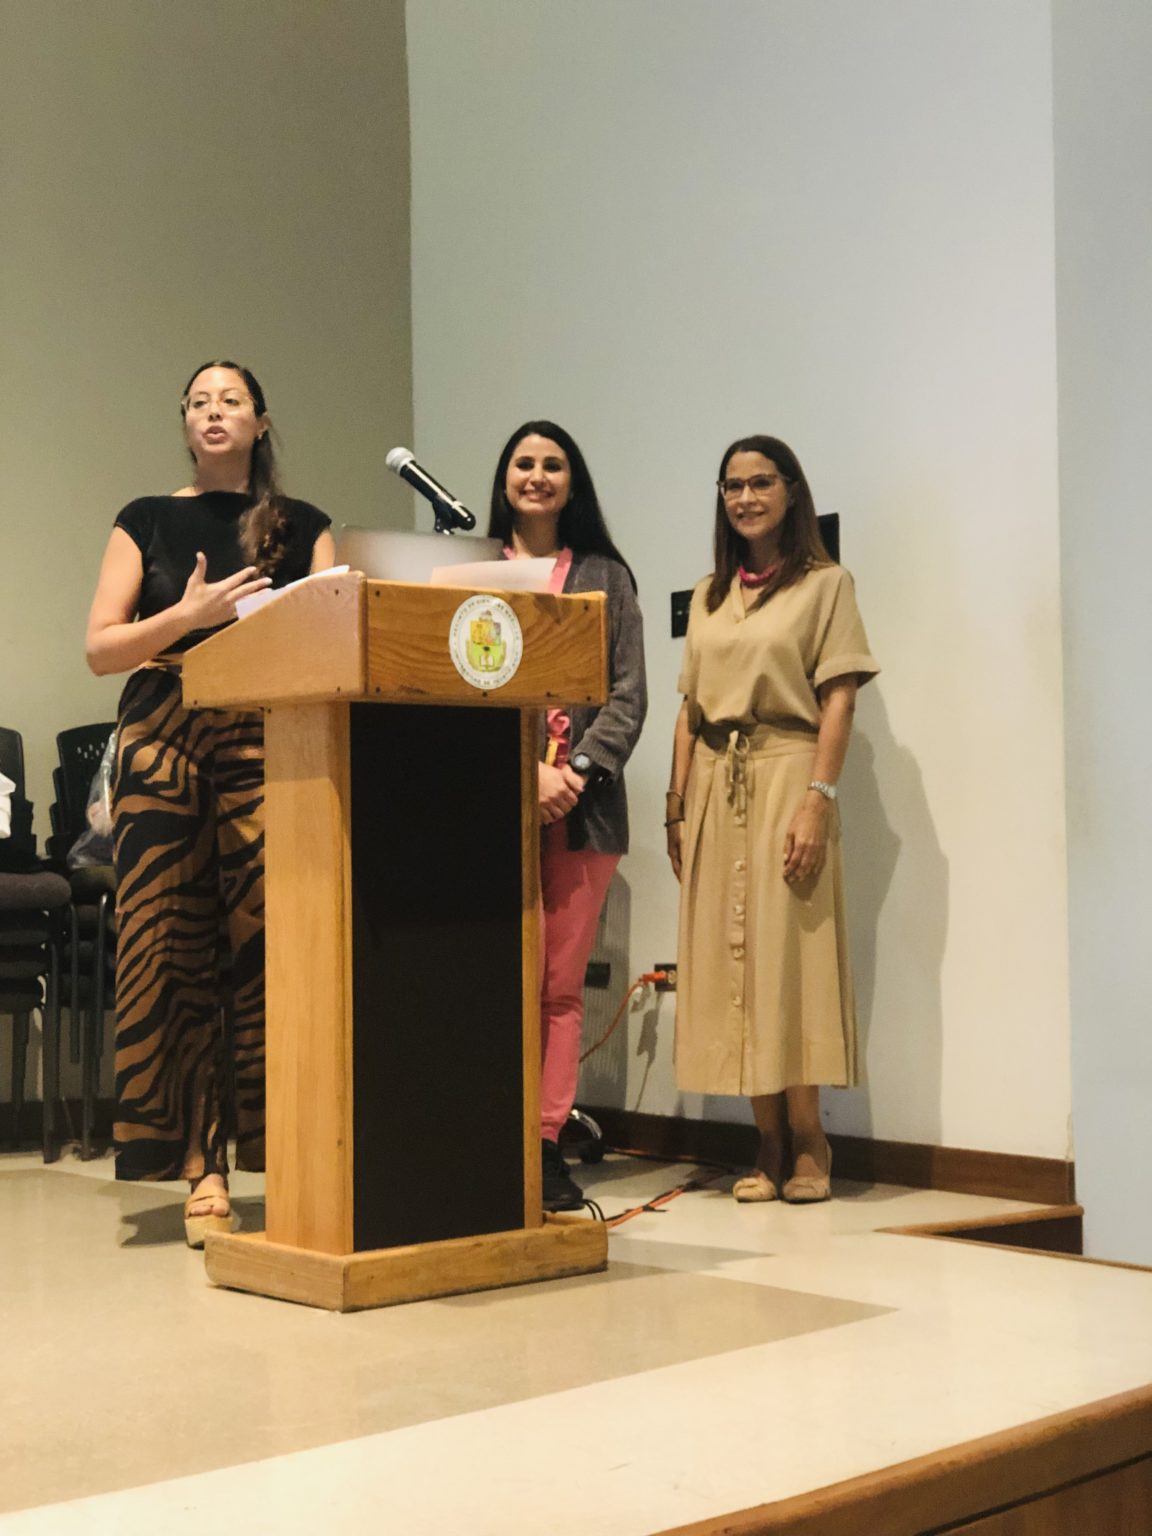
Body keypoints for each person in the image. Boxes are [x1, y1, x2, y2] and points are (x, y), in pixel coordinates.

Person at [86, 360, 335, 1246]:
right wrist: (186, 619)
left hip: (271, 732)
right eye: (199, 401)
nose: (214, 411)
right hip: (163, 727)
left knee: (274, 941)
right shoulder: (145, 518)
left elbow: (331, 639)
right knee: (170, 945)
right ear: (185, 423)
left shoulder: (304, 527)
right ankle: (203, 1166)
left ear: (261, 422)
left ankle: (292, 1149)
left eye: (231, 399)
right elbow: (100, 648)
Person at [667, 435, 878, 1203]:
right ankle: (765, 1141)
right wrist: (675, 807)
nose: (746, 497)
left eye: (760, 483)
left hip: (789, 770)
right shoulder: (710, 594)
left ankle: (811, 1138)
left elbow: (840, 698)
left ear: (791, 492)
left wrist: (818, 799)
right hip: (715, 781)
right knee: (732, 961)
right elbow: (689, 709)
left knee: (790, 955)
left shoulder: (826, 585)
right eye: (732, 486)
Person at [488, 421, 646, 1211]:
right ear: (504, 479)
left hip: (583, 814)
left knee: (557, 988)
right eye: (524, 463)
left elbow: (628, 696)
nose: (538, 475)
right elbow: (455, 683)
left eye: (553, 465)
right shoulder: (471, 573)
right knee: (494, 981)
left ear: (572, 483)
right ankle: (487, 1135)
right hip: (489, 806)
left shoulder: (607, 576)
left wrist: (572, 773)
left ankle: (544, 1143)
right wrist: (523, 775)